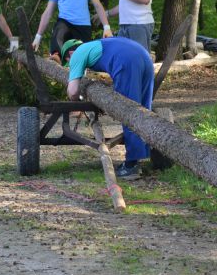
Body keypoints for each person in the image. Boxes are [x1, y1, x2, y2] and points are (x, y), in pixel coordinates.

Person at [61, 36, 154, 180]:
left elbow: (73, 91)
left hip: (125, 60)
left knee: (128, 111)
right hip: (144, 55)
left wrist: (75, 97)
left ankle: (132, 166)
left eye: (68, 62)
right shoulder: (93, 46)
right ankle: (150, 150)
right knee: (143, 110)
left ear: (70, 54)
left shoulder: (77, 54)